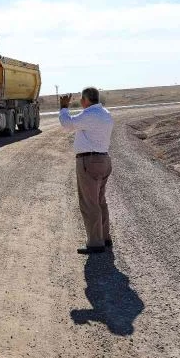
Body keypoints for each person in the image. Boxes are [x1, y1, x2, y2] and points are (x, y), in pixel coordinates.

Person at [59, 87, 115, 254]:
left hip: (89, 161)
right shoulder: (105, 113)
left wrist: (64, 107)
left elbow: (67, 125)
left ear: (85, 100)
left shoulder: (90, 114)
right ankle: (104, 237)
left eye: (81, 100)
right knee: (100, 201)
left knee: (89, 203)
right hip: (103, 159)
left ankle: (95, 243)